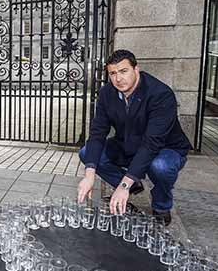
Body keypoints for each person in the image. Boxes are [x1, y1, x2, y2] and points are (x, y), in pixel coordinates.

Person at [77, 50, 191, 226]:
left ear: (136, 69)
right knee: (88, 154)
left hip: (165, 148)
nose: (118, 79)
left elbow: (152, 143)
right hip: (128, 144)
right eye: (113, 73)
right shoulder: (107, 93)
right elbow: (97, 133)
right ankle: (133, 183)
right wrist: (89, 174)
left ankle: (161, 204)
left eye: (123, 71)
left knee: (160, 166)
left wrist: (123, 186)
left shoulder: (160, 94)